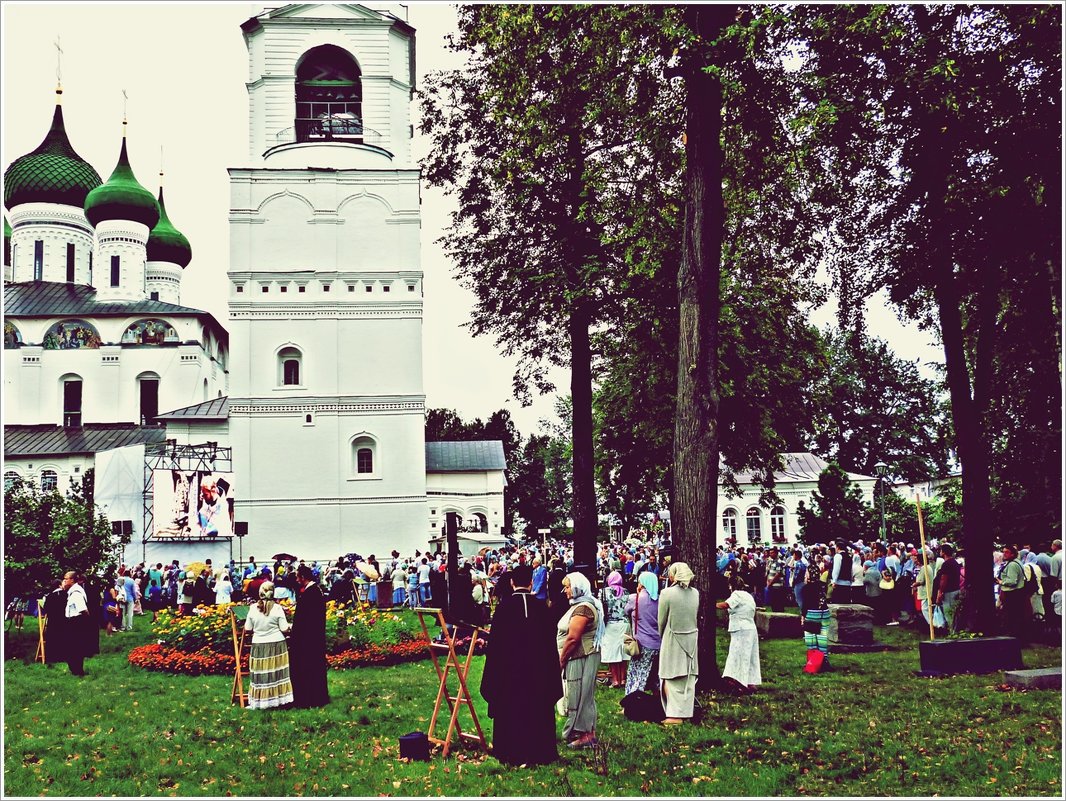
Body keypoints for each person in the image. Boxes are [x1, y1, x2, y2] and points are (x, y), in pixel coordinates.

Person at [480, 564, 562, 766]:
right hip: (538, 674)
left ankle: (511, 750)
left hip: (510, 674)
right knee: (537, 711)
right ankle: (539, 751)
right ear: (531, 582)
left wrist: (494, 675)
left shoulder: (504, 609)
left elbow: (496, 647)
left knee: (512, 710)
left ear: (511, 582)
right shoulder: (542, 608)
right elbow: (550, 645)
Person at [557, 572, 603, 750]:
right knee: (578, 693)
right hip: (578, 656)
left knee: (583, 694)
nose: (565, 591)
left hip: (583, 656)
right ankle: (578, 731)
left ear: (577, 587)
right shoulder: (579, 605)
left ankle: (586, 734)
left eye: (568, 587)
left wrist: (561, 660)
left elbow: (573, 638)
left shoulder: (584, 608)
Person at [658, 562, 700, 724]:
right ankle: (686, 711)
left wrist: (663, 636)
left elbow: (661, 620)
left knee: (671, 674)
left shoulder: (666, 593)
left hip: (672, 636)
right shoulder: (695, 593)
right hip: (691, 637)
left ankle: (675, 714)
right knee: (687, 677)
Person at [243, 581, 294, 709]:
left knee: (261, 674)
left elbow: (248, 628)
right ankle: (278, 700)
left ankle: (260, 701)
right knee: (277, 673)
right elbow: (284, 628)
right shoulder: (277, 608)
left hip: (259, 644)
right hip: (277, 643)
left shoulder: (253, 608)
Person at [290, 564, 329, 708]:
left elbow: (304, 618)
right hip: (313, 637)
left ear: (303, 577)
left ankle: (309, 696)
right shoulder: (314, 591)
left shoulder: (310, 593)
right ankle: (316, 695)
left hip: (308, 639)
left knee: (308, 667)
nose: (296, 579)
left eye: (297, 576)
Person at [717, 572, 761, 695]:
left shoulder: (736, 595)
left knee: (738, 655)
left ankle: (740, 682)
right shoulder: (748, 595)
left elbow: (726, 604)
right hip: (751, 628)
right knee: (749, 656)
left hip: (741, 628)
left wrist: (712, 604)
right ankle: (750, 681)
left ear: (731, 585)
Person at [624, 571, 662, 695]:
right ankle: (661, 702)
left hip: (641, 643)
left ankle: (632, 703)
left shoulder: (635, 598)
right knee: (656, 675)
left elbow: (626, 611)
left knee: (637, 674)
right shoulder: (661, 600)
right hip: (658, 643)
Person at [598, 570, 630, 689]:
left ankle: (615, 680)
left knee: (612, 653)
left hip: (610, 624)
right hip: (624, 624)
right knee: (622, 653)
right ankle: (623, 679)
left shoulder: (603, 592)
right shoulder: (626, 591)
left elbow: (600, 609)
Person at [801, 559, 831, 673]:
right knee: (822, 639)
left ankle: (814, 663)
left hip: (812, 615)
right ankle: (825, 662)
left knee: (811, 639)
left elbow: (805, 604)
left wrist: (803, 617)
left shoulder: (806, 588)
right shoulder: (823, 585)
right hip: (824, 613)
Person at [62, 572, 93, 676]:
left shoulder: (76, 593)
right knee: (71, 647)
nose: (64, 581)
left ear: (72, 580)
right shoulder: (71, 592)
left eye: (66, 579)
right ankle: (74, 669)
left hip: (76, 621)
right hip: (73, 621)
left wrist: (83, 622)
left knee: (75, 647)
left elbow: (84, 609)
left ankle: (78, 671)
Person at [997, 544, 1029, 639]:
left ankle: (1015, 637)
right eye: (1003, 552)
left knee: (1013, 617)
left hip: (1013, 594)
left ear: (1012, 554)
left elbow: (1012, 581)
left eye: (1007, 552)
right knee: (1017, 616)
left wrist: (1001, 582)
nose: (1004, 554)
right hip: (1017, 593)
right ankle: (1018, 637)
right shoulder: (1017, 562)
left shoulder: (1012, 565)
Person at [934, 544, 962, 632]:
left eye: (941, 550)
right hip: (956, 590)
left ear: (944, 552)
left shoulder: (946, 564)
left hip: (949, 592)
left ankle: (952, 633)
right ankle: (955, 631)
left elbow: (944, 579)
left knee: (949, 614)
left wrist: (940, 592)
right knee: (955, 613)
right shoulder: (955, 562)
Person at [42, 578, 68, 664]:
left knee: (52, 638)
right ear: (60, 585)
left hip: (53, 620)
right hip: (64, 620)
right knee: (63, 637)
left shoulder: (49, 596)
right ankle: (63, 656)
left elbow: (45, 609)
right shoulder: (66, 595)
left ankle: (52, 657)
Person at [830, 540, 854, 604]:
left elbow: (836, 569)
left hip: (839, 583)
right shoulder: (849, 557)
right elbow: (850, 569)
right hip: (847, 583)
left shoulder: (838, 556)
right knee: (846, 604)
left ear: (837, 548)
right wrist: (851, 580)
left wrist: (834, 581)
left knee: (838, 604)